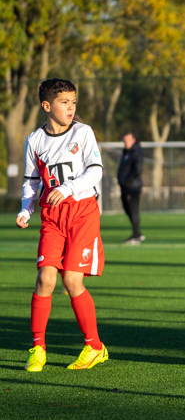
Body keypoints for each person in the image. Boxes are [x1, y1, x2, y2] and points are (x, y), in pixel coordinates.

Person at [16, 78, 108, 372]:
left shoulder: (83, 132)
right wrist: (25, 210)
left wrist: (68, 189)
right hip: (52, 218)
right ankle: (37, 348)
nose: (71, 107)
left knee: (71, 280)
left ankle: (94, 346)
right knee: (45, 279)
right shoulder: (35, 140)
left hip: (82, 213)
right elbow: (32, 182)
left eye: (73, 102)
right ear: (47, 106)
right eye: (64, 102)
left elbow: (96, 171)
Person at [117, 131, 145, 245]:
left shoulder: (136, 152)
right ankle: (137, 234)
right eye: (124, 140)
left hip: (132, 187)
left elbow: (137, 169)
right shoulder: (126, 152)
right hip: (125, 187)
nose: (125, 142)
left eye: (127, 140)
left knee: (133, 210)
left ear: (133, 140)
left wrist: (127, 180)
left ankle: (136, 235)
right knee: (128, 209)